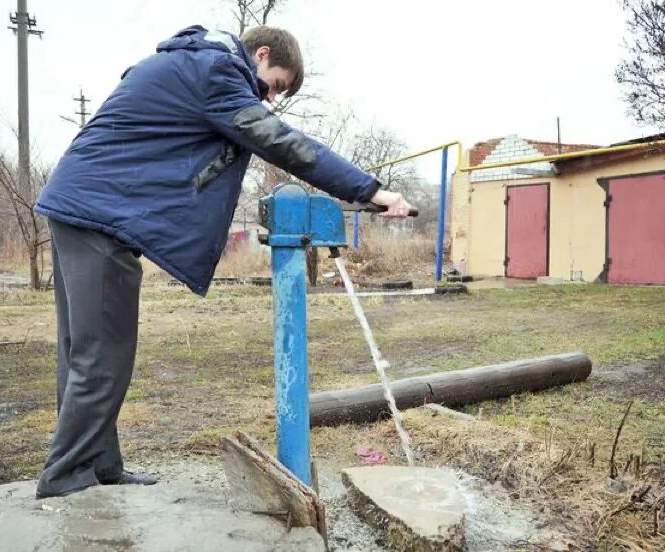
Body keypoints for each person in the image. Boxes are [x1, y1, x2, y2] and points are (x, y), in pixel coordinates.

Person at [33, 24, 413, 499]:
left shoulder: (193, 63)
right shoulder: (215, 70)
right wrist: (369, 189)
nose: (268, 98)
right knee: (102, 358)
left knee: (84, 354)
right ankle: (66, 476)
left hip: (83, 207)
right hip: (96, 213)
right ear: (262, 54)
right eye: (274, 84)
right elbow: (280, 141)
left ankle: (100, 466)